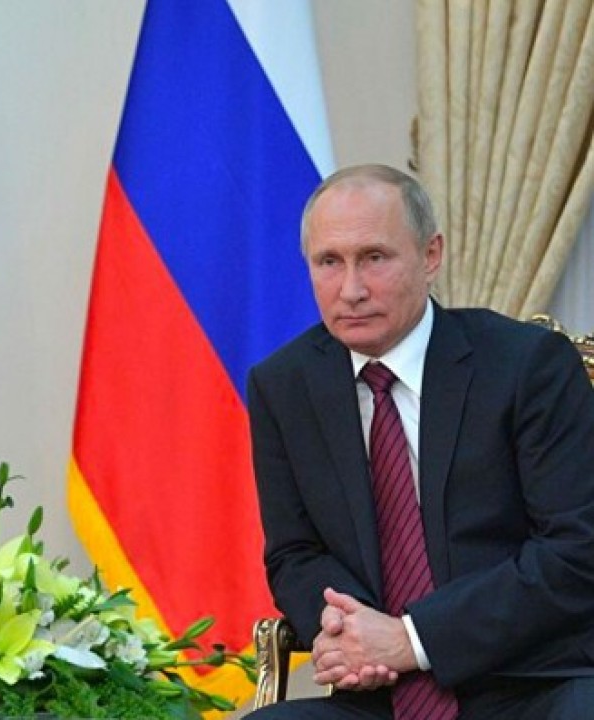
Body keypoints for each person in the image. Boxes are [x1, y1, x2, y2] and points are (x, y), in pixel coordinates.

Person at [246, 164, 594, 719]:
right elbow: (295, 553)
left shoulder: (525, 365)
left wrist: (412, 639)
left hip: (530, 683)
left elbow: (575, 550)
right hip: (380, 697)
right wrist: (343, 627)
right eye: (329, 262)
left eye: (374, 258)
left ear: (431, 255)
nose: (351, 290)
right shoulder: (284, 385)